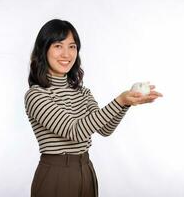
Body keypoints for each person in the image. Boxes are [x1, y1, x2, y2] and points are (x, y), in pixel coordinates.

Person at [24, 19, 163, 197]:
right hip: (56, 175)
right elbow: (75, 131)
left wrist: (126, 103)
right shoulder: (36, 95)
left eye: (72, 46)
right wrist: (119, 101)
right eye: (58, 46)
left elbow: (105, 129)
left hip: (86, 170)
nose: (66, 54)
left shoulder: (82, 92)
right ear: (44, 50)